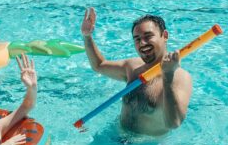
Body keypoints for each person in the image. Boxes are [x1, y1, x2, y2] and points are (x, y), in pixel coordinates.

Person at [81, 8, 193, 136]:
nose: (142, 43)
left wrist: (168, 75)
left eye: (148, 36)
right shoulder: (133, 67)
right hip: (116, 136)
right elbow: (99, 66)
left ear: (165, 36)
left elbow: (174, 123)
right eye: (137, 39)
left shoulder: (180, 77)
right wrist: (87, 36)